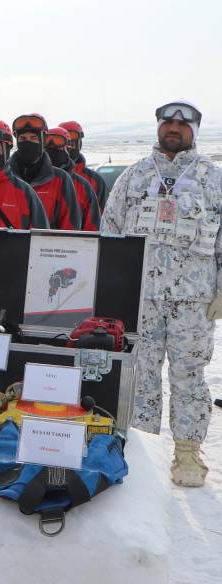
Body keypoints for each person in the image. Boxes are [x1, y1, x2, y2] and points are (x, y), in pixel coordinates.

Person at [101, 99, 220, 487]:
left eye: (183, 123)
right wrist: (112, 288)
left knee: (189, 376)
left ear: (194, 131)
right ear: (158, 127)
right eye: (168, 121)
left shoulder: (212, 180)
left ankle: (187, 451)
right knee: (139, 376)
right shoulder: (134, 177)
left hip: (194, 302)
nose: (175, 127)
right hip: (141, 300)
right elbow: (110, 232)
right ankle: (143, 448)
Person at [8, 114, 82, 230]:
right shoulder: (5, 178)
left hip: (49, 247)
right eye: (23, 139)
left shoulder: (61, 179)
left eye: (33, 138)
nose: (28, 143)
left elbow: (70, 229)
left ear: (42, 141)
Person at [45, 127, 101, 230]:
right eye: (48, 148)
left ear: (68, 149)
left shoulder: (84, 186)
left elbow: (92, 228)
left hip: (72, 244)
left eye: (58, 148)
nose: (53, 152)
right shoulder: (28, 183)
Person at [59, 120, 109, 208]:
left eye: (72, 145)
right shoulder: (45, 177)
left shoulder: (95, 181)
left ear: (80, 144)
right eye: (65, 146)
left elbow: (106, 215)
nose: (69, 149)